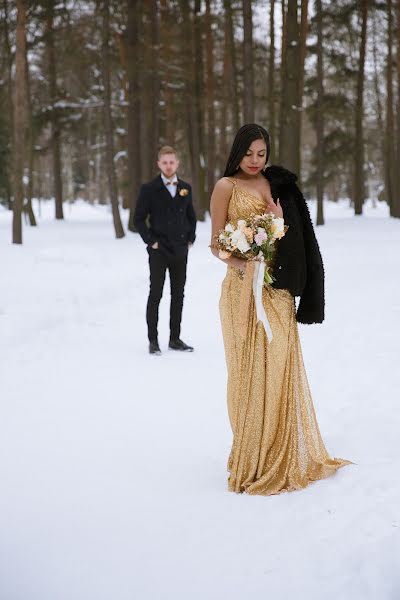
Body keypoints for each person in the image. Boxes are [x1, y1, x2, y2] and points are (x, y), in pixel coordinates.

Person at [210, 124, 351, 495]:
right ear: (237, 152)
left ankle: (279, 451)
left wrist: (277, 222)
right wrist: (242, 263)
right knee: (245, 372)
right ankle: (250, 453)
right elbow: (215, 245)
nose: (255, 161)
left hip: (277, 293)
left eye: (261, 153)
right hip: (241, 292)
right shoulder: (225, 187)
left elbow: (293, 234)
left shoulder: (277, 185)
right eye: (248, 153)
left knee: (279, 365)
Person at [134, 146, 197, 355]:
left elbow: (191, 216)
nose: (169, 166)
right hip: (159, 250)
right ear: (159, 164)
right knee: (156, 294)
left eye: (172, 162)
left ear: (177, 163)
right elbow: (138, 220)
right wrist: (150, 241)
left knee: (178, 294)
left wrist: (190, 238)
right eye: (165, 162)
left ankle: (175, 338)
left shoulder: (185, 188)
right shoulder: (149, 189)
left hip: (180, 250)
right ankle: (153, 340)